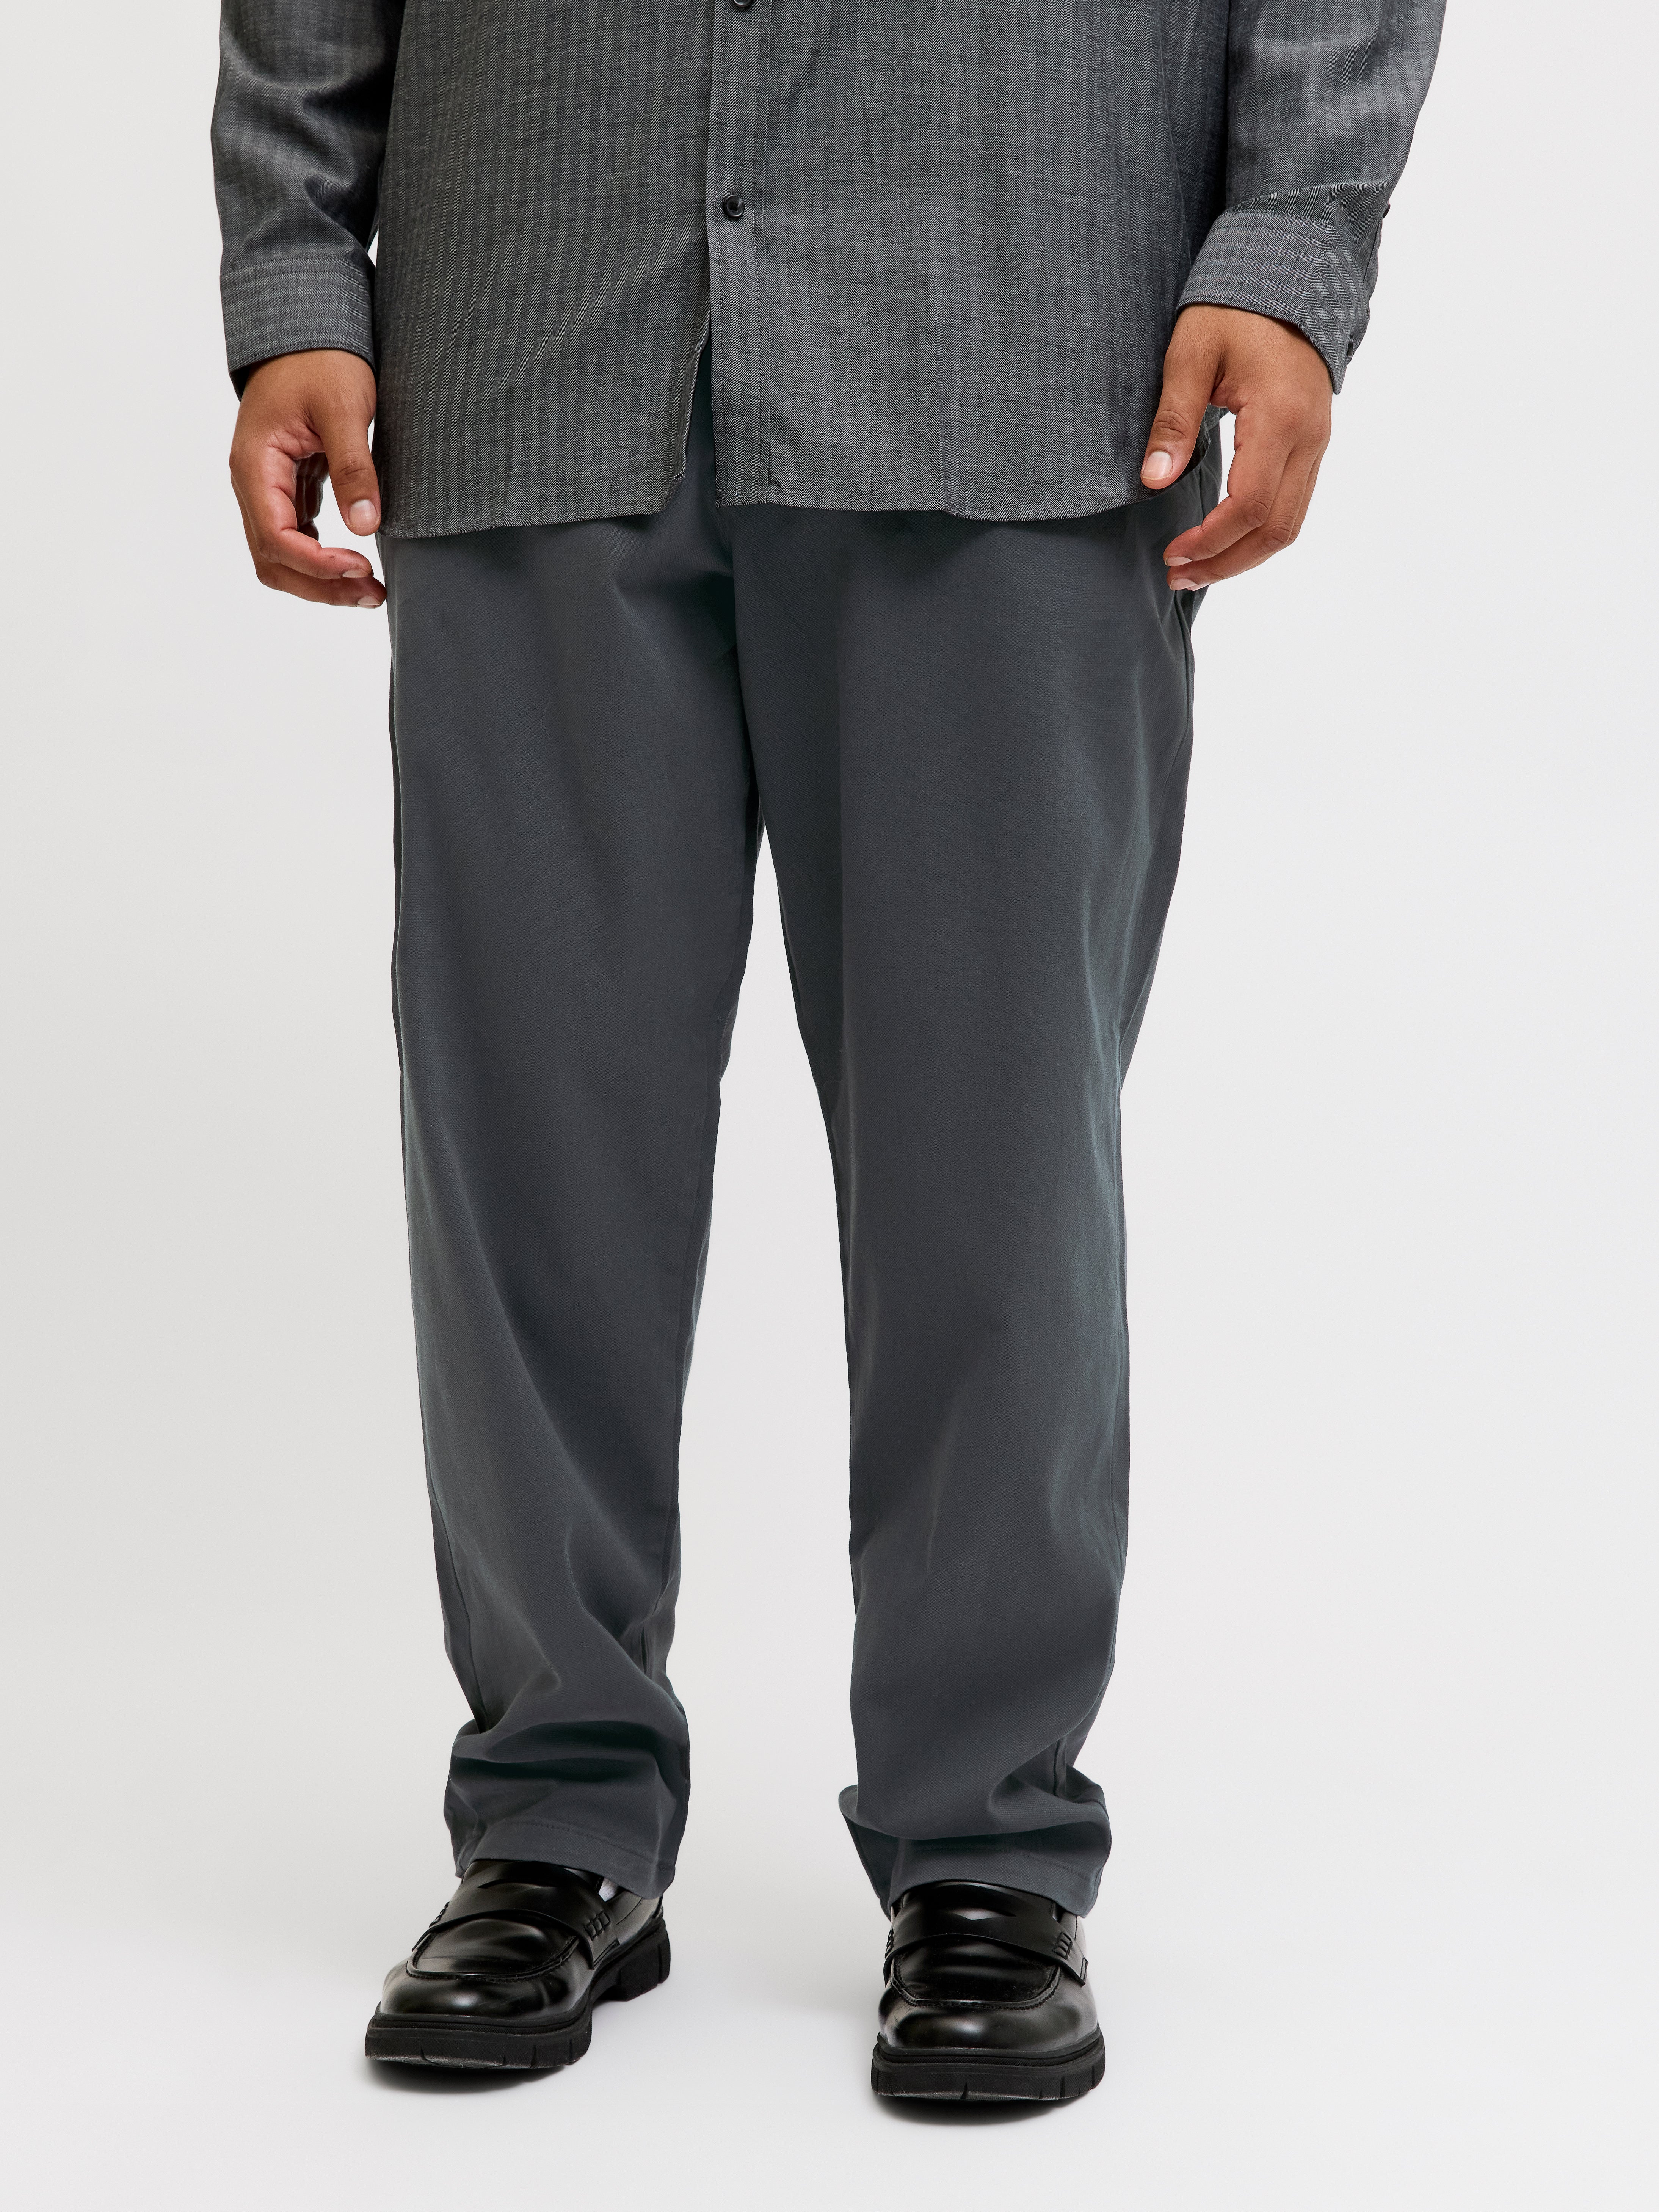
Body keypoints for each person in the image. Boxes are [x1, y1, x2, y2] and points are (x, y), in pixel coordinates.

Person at [213, 1, 1442, 2103]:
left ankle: (987, 1844)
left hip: (1021, 329)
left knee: (995, 1158)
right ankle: (554, 1816)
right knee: (528, 1145)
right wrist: (294, 269)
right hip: (525, 313)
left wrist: (1293, 242)